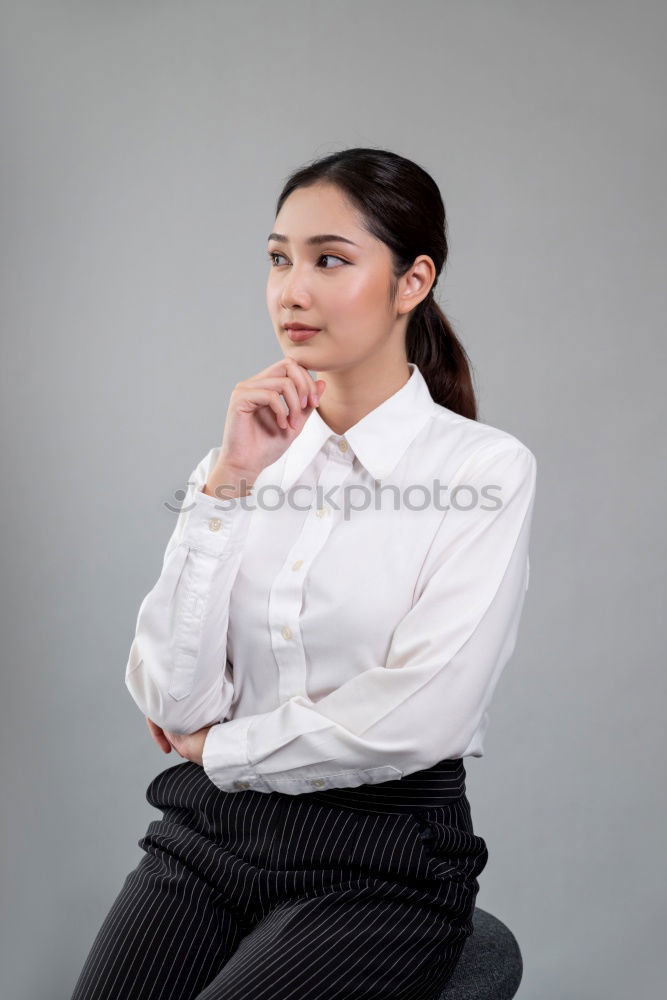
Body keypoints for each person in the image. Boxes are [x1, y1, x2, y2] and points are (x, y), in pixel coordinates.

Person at [70, 147, 537, 1000]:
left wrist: (224, 749)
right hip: (206, 838)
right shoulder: (241, 456)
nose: (292, 290)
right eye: (279, 258)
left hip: (383, 858)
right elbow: (172, 702)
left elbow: (418, 716)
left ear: (411, 281)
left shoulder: (483, 469)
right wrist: (227, 485)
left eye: (330, 259)